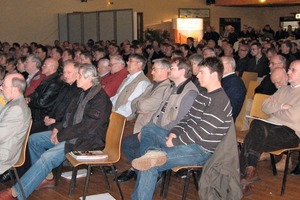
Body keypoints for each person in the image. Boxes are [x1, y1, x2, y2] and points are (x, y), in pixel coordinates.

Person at [0, 64, 112, 200]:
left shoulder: (100, 99)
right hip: (70, 134)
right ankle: (45, 177)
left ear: (89, 78)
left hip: (86, 141)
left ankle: (16, 192)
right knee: (34, 140)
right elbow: (68, 115)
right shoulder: (81, 92)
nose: (77, 77)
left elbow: (86, 127)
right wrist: (57, 129)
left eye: (80, 75)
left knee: (47, 157)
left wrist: (61, 135)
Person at [130, 57, 232, 200]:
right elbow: (188, 119)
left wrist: (177, 141)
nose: (197, 75)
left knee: (150, 164)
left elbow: (202, 134)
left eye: (202, 72)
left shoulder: (220, 101)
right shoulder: (204, 96)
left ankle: (149, 160)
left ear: (214, 75)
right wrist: (174, 132)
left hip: (200, 150)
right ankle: (151, 154)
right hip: (186, 141)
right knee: (149, 129)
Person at [117, 58, 198, 182]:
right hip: (154, 128)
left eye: (172, 68)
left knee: (142, 146)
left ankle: (147, 173)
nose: (151, 72)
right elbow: (156, 113)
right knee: (127, 143)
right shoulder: (170, 88)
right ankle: (147, 170)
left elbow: (180, 123)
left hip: (170, 134)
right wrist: (147, 129)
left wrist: (152, 130)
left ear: (182, 71)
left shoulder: (189, 93)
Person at [239, 60, 300, 196]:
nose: (288, 72)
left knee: (254, 132)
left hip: (290, 134)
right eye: (289, 69)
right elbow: (265, 106)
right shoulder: (284, 89)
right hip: (269, 130)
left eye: (293, 70)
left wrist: (276, 108)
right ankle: (249, 173)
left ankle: (244, 176)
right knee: (256, 129)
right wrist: (282, 107)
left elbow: (294, 117)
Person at [0, 73, 31, 175]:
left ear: (15, 89)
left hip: (4, 153)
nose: (1, 87)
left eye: (3, 85)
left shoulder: (17, 109)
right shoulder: (15, 102)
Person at [27, 58, 62, 122]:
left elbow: (42, 102)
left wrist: (29, 102)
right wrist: (29, 98)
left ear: (52, 67)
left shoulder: (54, 83)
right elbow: (36, 92)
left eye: (45, 65)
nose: (42, 67)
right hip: (37, 113)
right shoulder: (47, 79)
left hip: (43, 117)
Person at [221, 56, 246, 121]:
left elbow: (228, 109)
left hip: (225, 122)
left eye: (220, 64)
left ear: (229, 65)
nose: (217, 67)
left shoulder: (234, 83)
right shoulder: (228, 80)